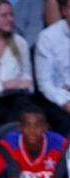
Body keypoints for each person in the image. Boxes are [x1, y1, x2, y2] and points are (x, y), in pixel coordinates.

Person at [35, 0, 70, 137]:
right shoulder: (48, 37)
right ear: (64, 11)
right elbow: (45, 84)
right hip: (58, 98)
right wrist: (65, 103)